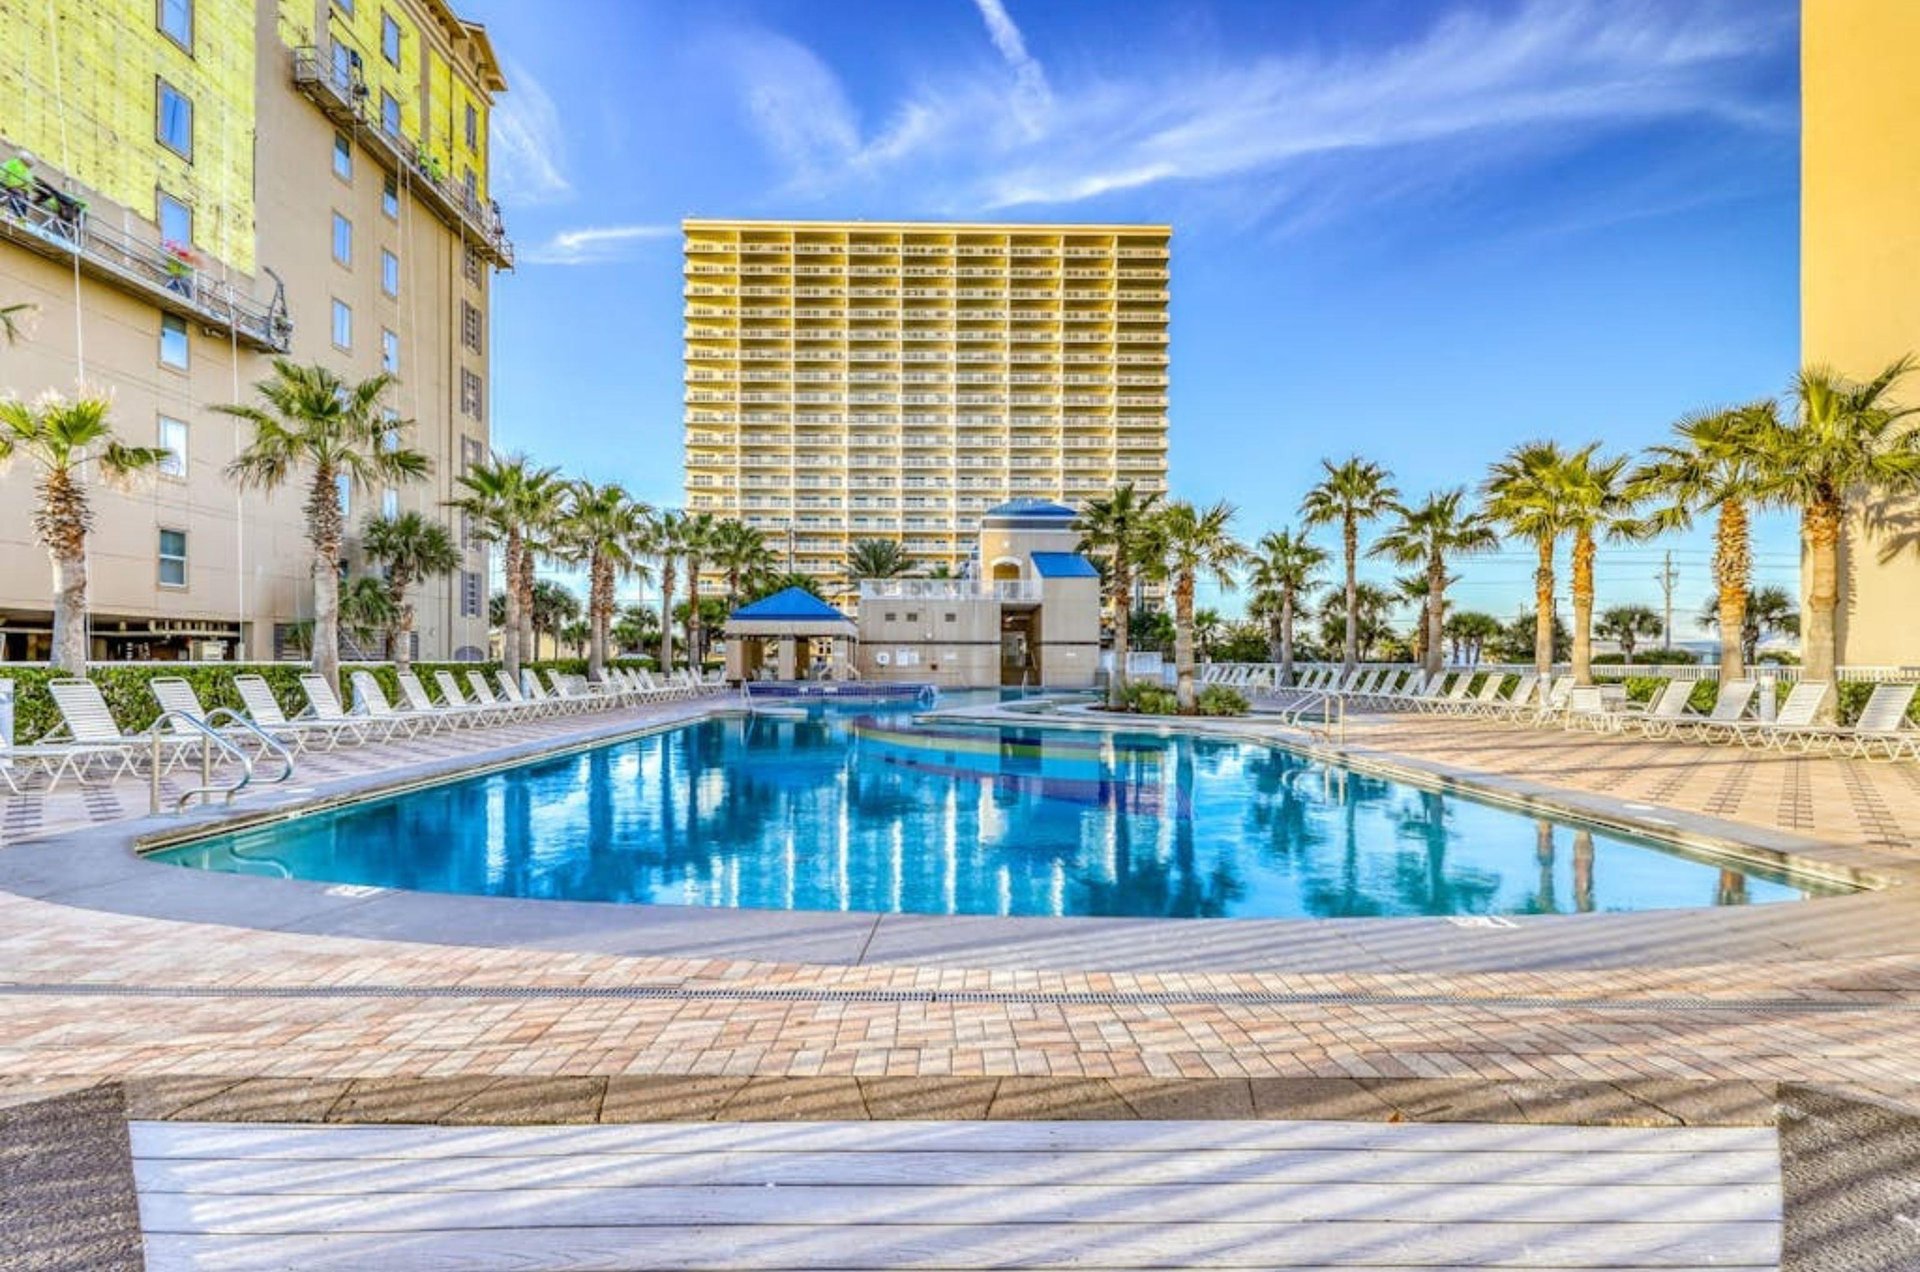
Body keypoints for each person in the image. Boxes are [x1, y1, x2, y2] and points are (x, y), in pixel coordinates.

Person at [1, 152, 33, 217]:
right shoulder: (16, 165)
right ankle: (20, 218)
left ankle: (20, 217)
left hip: (10, 188)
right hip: (7, 187)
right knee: (21, 200)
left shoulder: (13, 163)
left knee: (19, 198)